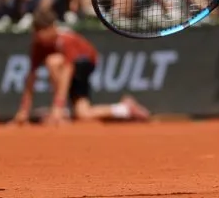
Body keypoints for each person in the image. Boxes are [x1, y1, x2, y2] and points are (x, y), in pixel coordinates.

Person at [11, 8, 150, 126]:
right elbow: (31, 77)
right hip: (69, 70)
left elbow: (67, 71)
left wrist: (58, 106)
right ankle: (125, 109)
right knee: (83, 114)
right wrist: (23, 110)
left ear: (52, 28)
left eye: (42, 31)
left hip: (84, 64)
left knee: (53, 61)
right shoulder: (38, 44)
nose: (39, 36)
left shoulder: (65, 40)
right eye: (37, 32)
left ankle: (61, 111)